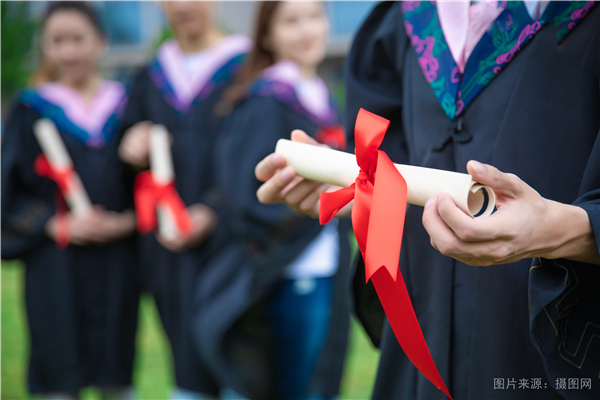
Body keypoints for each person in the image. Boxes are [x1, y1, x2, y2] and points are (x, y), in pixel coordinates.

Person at [254, 1, 600, 399]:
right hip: (424, 334)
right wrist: (357, 190)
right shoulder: (405, 18)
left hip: (545, 357)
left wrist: (566, 232)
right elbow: (390, 163)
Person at [191, 2, 351, 399]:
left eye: (314, 16)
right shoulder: (266, 100)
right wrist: (328, 205)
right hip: (289, 275)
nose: (307, 29)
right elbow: (247, 195)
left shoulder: (319, 94)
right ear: (267, 35)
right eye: (291, 21)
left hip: (326, 268)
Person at [1, 2, 139, 399]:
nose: (68, 51)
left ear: (101, 42)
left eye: (78, 39)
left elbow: (150, 182)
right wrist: (54, 223)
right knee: (59, 370)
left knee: (116, 372)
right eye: (57, 41)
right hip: (54, 266)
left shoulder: (126, 105)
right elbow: (8, 193)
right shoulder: (31, 110)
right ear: (44, 47)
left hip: (116, 265)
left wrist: (125, 222)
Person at [117, 2, 251, 399]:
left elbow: (255, 154)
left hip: (235, 245)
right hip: (172, 253)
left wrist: (212, 210)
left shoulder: (248, 69)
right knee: (186, 367)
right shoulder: (151, 76)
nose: (183, 5)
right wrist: (129, 148)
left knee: (239, 362)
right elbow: (121, 162)